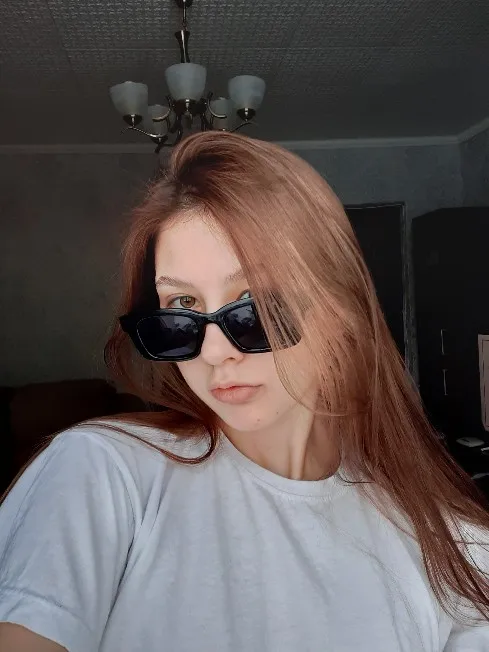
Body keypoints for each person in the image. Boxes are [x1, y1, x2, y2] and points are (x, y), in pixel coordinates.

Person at [0, 131, 488, 652]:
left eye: (254, 304)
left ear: (340, 311)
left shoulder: (448, 539)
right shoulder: (100, 474)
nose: (214, 352)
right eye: (183, 305)